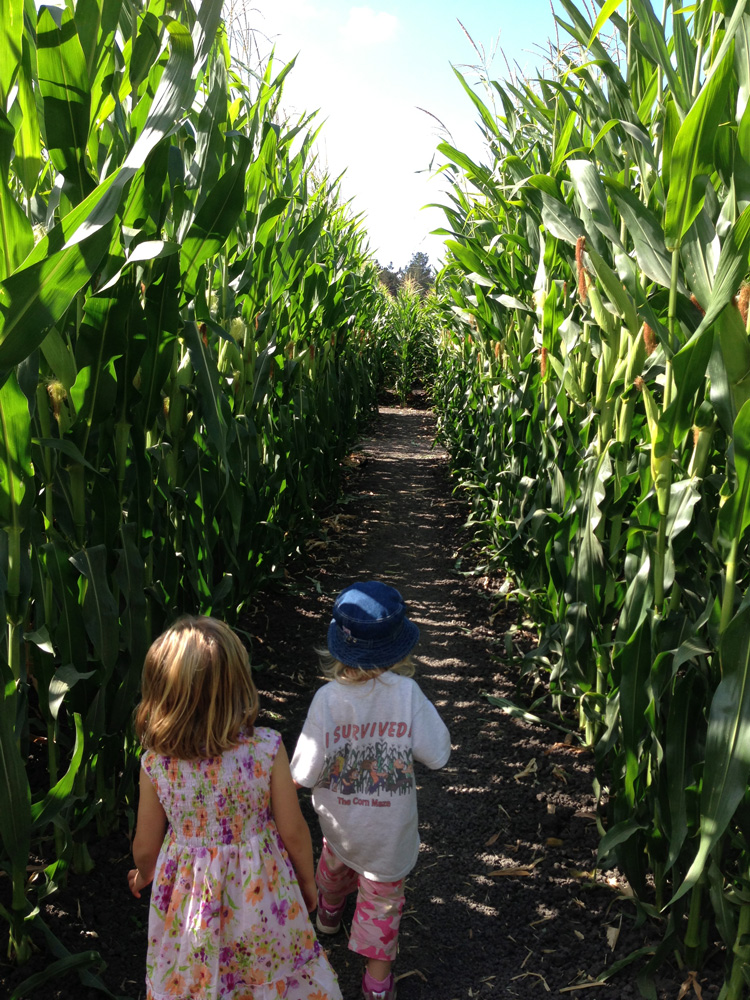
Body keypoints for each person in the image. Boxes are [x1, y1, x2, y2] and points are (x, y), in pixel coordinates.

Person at [127, 615, 342, 1000]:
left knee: (196, 977)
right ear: (238, 687)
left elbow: (145, 845)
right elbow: (293, 831)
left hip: (192, 900)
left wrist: (145, 873)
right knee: (268, 970)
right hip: (261, 892)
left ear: (160, 695)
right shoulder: (265, 748)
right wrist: (307, 882)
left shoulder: (156, 764)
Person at [291, 581, 451, 1000]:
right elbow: (437, 754)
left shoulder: (327, 700)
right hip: (387, 836)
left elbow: (303, 772)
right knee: (382, 908)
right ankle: (377, 984)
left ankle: (327, 917)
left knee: (335, 864)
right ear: (398, 648)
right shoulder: (407, 694)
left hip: (341, 825)